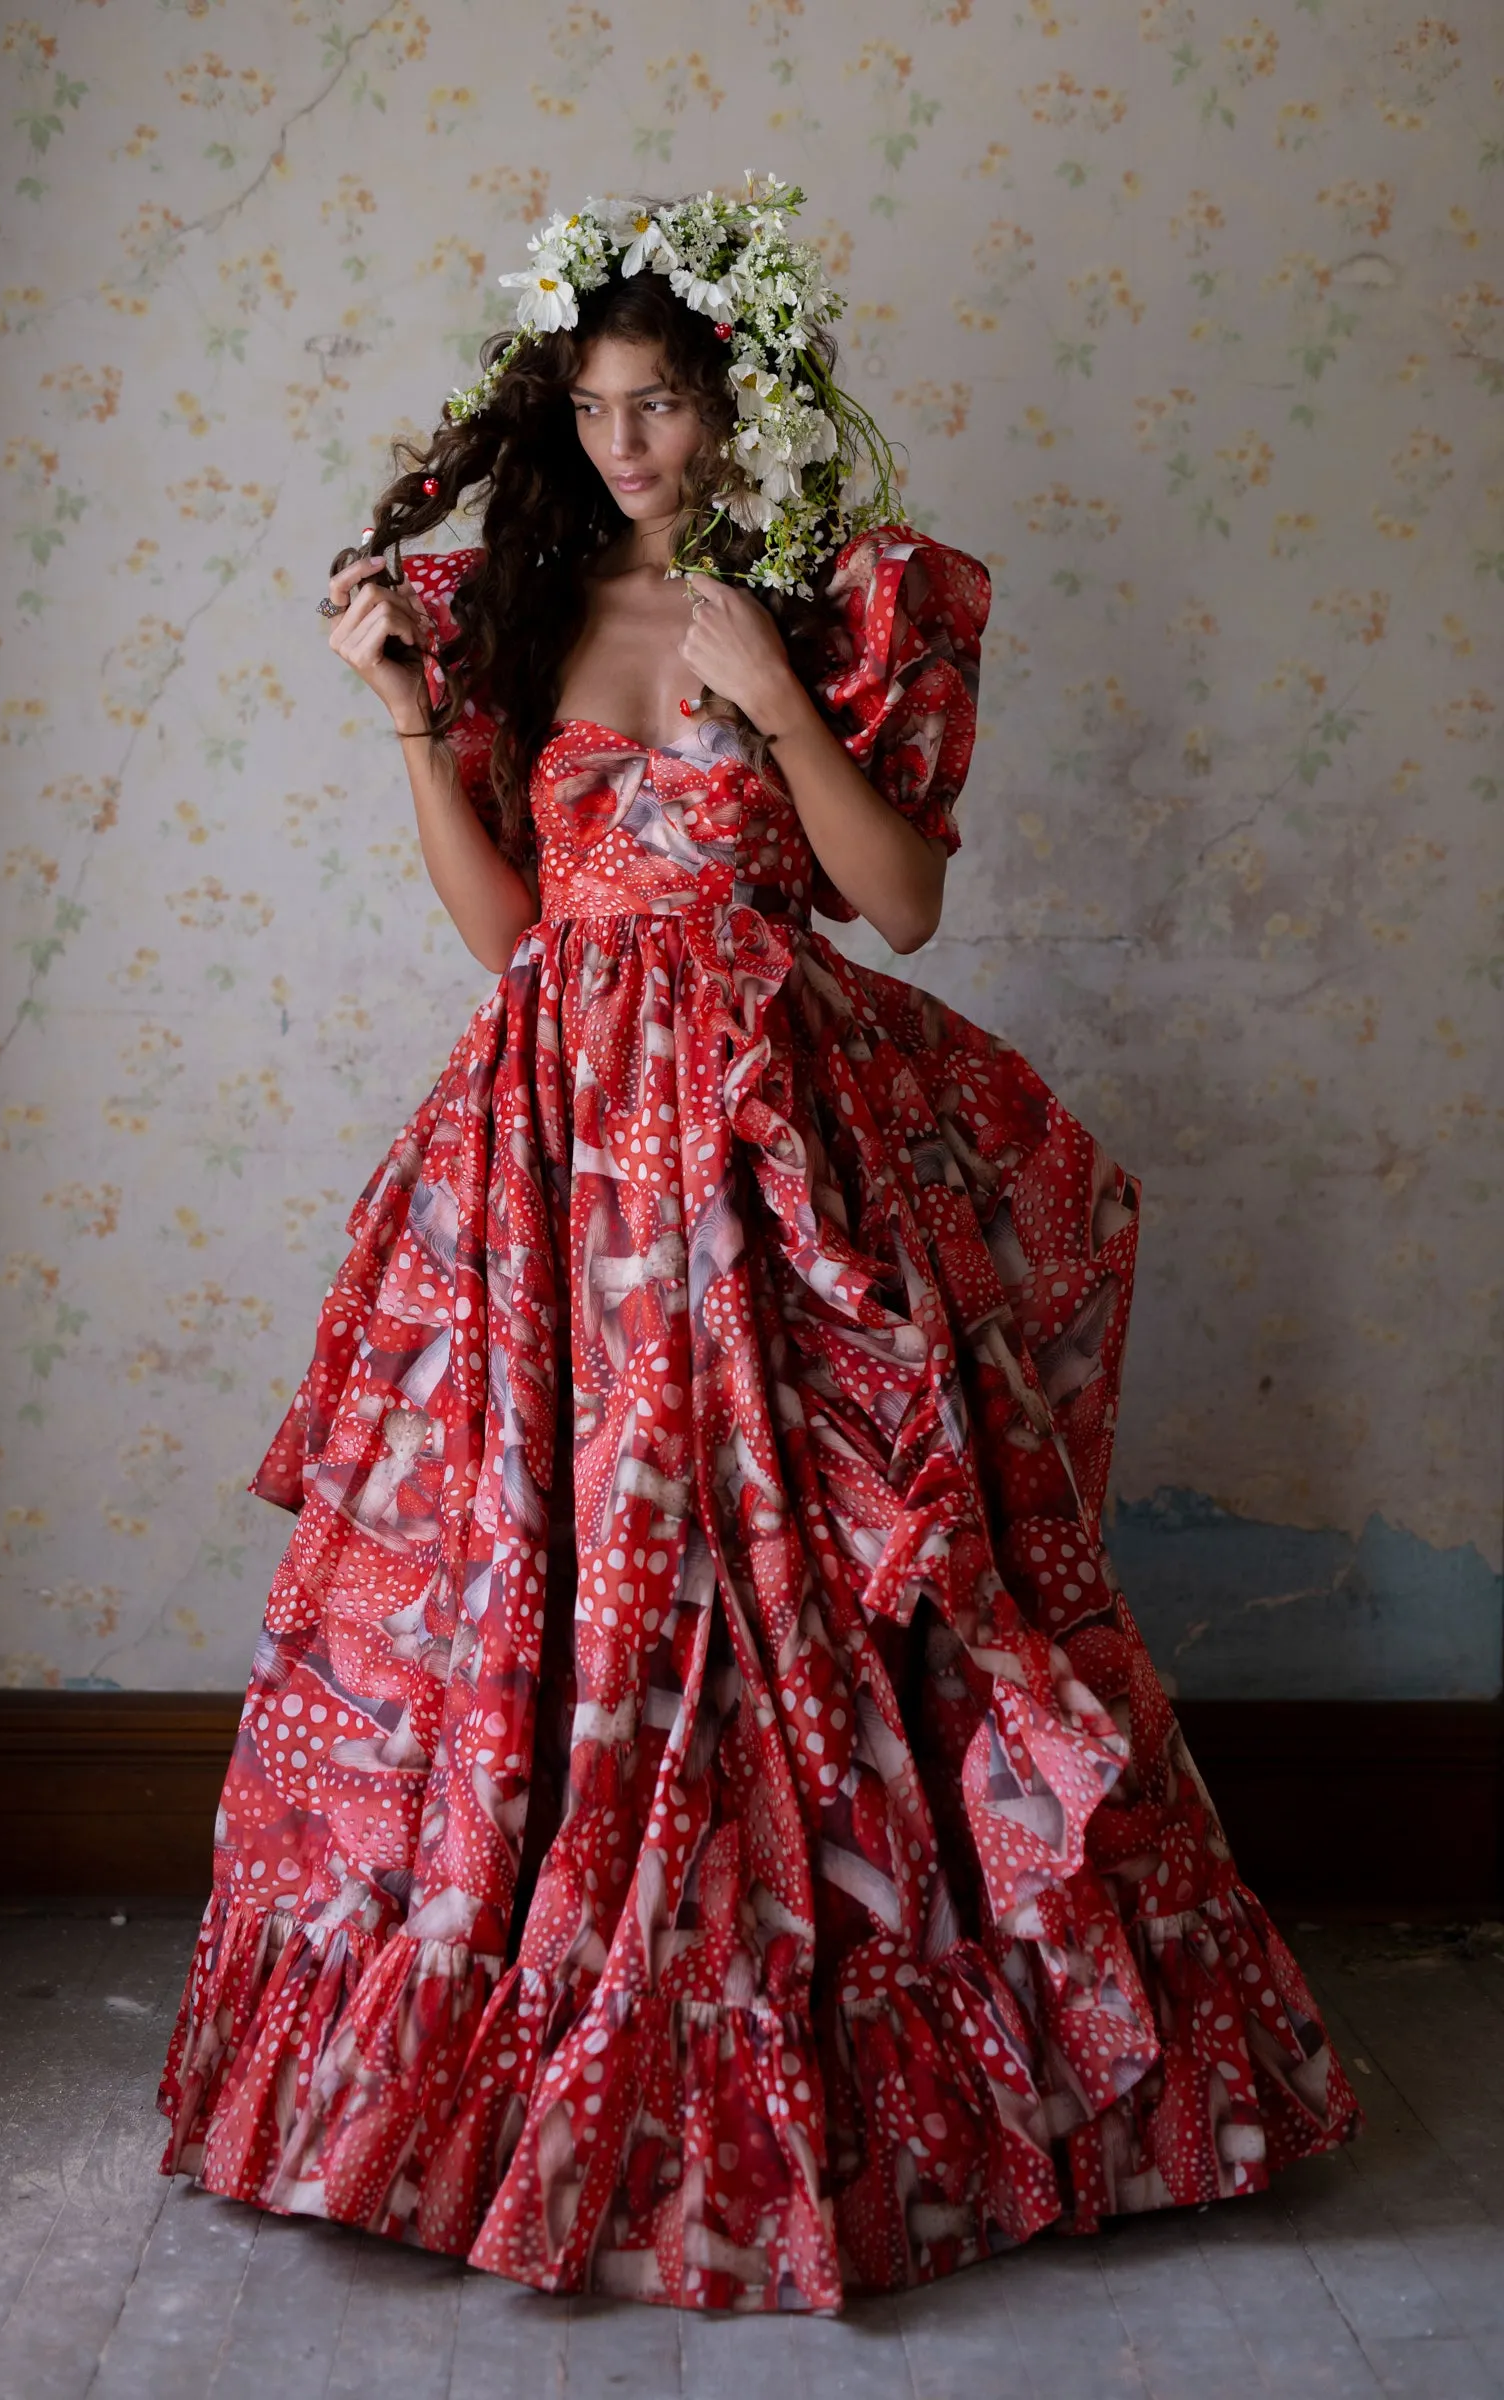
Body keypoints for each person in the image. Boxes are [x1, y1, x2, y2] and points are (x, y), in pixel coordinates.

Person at [158, 178, 1359, 2313]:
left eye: (666, 399)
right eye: (599, 404)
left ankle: (887, 2053)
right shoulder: (506, 618)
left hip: (771, 1136)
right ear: (564, 412)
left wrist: (772, 702)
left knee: (828, 1561)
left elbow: (895, 906)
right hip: (558, 1150)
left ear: (734, 398)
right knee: (551, 1558)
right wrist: (407, 711)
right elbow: (510, 940)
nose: (630, 441)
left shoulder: (830, 600)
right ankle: (499, 2041)